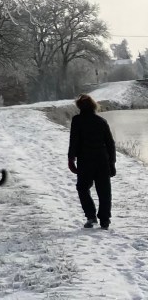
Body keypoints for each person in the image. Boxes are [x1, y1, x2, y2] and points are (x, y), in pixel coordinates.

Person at [67, 93, 116, 229]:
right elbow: (110, 144)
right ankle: (105, 220)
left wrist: (71, 158)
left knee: (82, 188)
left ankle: (91, 216)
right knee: (104, 191)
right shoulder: (101, 121)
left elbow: (74, 141)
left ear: (79, 106)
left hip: (85, 161)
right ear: (94, 105)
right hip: (102, 160)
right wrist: (112, 163)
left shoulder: (77, 120)